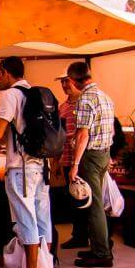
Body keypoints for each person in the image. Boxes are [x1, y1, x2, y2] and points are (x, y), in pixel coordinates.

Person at [0, 57, 55, 268]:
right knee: (42, 217)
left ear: (6, 72)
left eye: (1, 74)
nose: (0, 79)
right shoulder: (35, 93)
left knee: (26, 218)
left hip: (21, 167)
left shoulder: (11, 95)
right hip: (42, 166)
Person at [65, 61, 116, 267]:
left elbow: (83, 134)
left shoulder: (85, 99)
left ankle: (102, 254)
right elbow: (110, 130)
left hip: (91, 156)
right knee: (97, 202)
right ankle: (98, 247)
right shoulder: (105, 97)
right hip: (104, 153)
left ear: (72, 80)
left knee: (93, 205)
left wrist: (75, 163)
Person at [58, 75, 89, 250]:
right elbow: (59, 133)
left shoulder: (85, 104)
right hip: (67, 159)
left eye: (66, 81)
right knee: (73, 197)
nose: (64, 85)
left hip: (83, 159)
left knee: (87, 198)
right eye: (62, 82)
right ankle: (79, 235)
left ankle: (95, 236)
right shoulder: (62, 107)